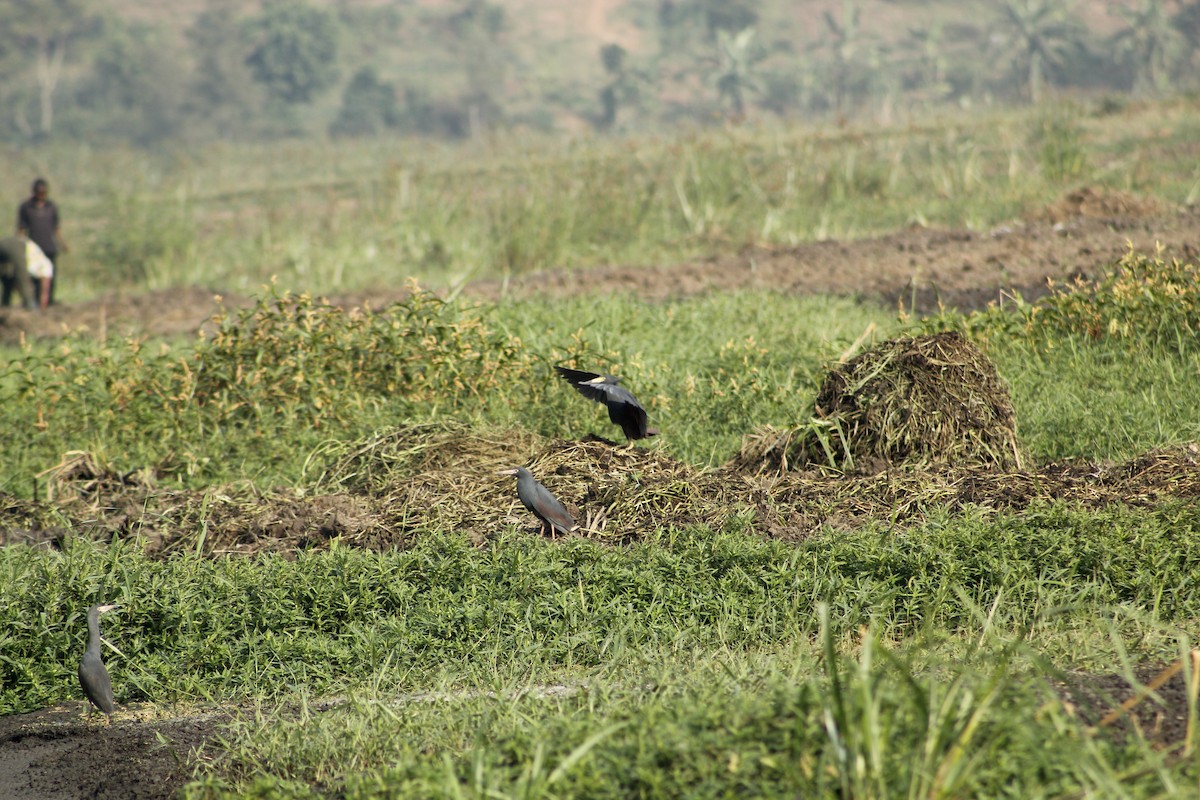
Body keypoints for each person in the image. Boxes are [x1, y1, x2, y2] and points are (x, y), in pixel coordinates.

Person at [17, 178, 67, 306]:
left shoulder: (51, 207)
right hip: (33, 248)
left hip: (49, 246)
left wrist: (63, 243)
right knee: (33, 277)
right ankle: (33, 303)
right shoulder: (26, 207)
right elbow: (21, 229)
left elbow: (56, 228)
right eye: (39, 193)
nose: (41, 196)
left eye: (43, 193)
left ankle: (48, 303)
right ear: (34, 192)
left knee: (50, 277)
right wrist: (20, 246)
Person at [0, 236, 38, 310]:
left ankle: (4, 304)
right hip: (14, 246)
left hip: (5, 245)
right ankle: (30, 307)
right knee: (23, 280)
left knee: (6, 277)